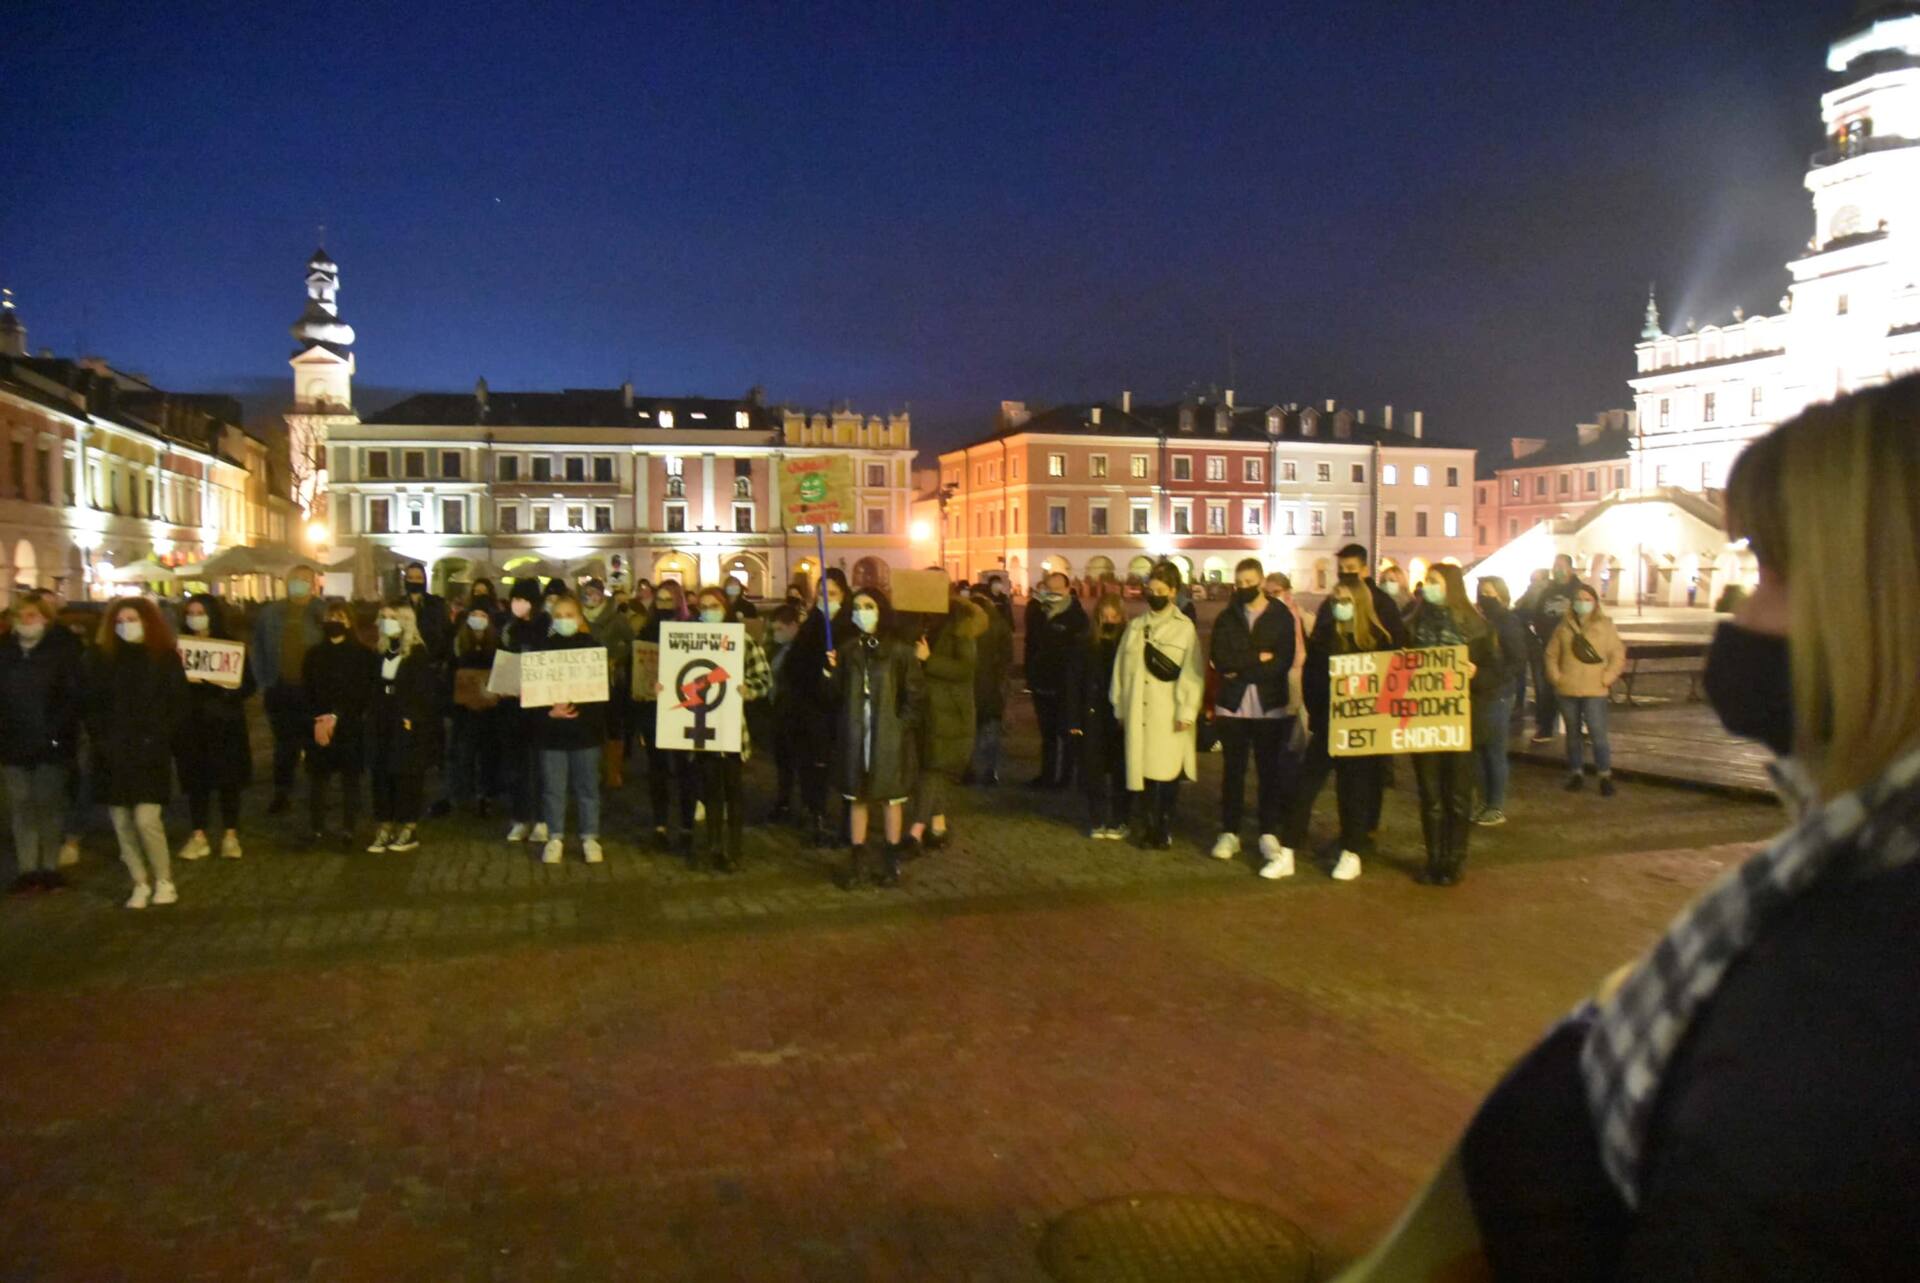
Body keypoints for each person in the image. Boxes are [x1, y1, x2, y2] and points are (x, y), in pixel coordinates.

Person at [1421, 377, 1920, 1281]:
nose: (1742, 615)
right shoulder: (1857, 871)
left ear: (1884, 604)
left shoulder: (1858, 1003)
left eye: (1768, 565)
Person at [1282, 575, 1394, 881]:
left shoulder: (1378, 639)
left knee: (1353, 792)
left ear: (1358, 603)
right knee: (1305, 786)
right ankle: (1288, 849)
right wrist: (1318, 714)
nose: (1339, 606)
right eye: (1335, 601)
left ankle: (1352, 852)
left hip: (1360, 730)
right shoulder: (1325, 637)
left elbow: (1388, 683)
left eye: (1344, 601)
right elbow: (1312, 679)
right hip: (1328, 724)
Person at [83, 598, 188, 908]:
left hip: (149, 750)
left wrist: (161, 735)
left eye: (132, 619)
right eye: (120, 620)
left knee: (146, 819)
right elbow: (91, 705)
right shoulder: (100, 659)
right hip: (113, 753)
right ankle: (139, 881)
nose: (125, 625)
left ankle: (164, 878)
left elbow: (178, 702)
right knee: (122, 821)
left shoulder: (163, 658)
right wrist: (101, 738)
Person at [1408, 563, 1503, 886]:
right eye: (1427, 582)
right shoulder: (1413, 625)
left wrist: (1476, 674)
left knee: (1458, 796)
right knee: (1431, 794)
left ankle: (1455, 859)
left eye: (1435, 581)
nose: (1428, 586)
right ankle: (1434, 859)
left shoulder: (1477, 629)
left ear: (1451, 586)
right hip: (1424, 721)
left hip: (1462, 722)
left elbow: (1498, 674)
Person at [829, 588, 925, 889]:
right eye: (857, 607)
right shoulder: (847, 650)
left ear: (880, 609)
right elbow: (834, 696)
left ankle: (890, 860)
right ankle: (858, 860)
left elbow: (915, 694)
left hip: (887, 734)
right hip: (856, 733)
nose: (862, 611)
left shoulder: (899, 650)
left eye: (868, 606)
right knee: (857, 796)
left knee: (889, 798)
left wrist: (899, 725)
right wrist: (829, 672)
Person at [1207, 557, 1300, 866]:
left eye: (1250, 582)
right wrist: (1256, 659)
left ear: (1261, 582)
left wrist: (1243, 667)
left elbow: (1282, 661)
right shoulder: (1227, 617)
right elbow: (1221, 659)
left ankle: (1267, 832)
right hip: (1232, 705)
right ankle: (1230, 831)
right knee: (1233, 771)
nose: (1244, 587)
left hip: (1268, 705)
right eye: (1240, 583)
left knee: (1268, 771)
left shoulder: (1281, 616)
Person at [1112, 562, 1204, 850]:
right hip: (1138, 711)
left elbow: (1192, 673)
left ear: (1173, 592)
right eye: (1150, 590)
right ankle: (1150, 824)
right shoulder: (1136, 627)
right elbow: (1120, 670)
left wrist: (1187, 713)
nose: (1154, 595)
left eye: (1161, 591)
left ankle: (1162, 827)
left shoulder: (1184, 629)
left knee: (1166, 773)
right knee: (1145, 773)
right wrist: (1119, 706)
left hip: (1168, 711)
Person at [679, 586, 771, 871]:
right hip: (701, 729)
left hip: (732, 729)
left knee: (734, 792)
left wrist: (749, 690)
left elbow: (764, 678)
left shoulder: (741, 640)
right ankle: (714, 846)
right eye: (703, 606)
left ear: (725, 609)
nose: (709, 611)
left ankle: (734, 849)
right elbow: (676, 676)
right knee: (710, 792)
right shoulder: (688, 641)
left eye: (714, 606)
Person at [1, 594, 84, 893]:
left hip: (52, 743)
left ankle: (48, 867)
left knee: (48, 806)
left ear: (45, 619)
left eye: (32, 616)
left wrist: (55, 732)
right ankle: (27, 869)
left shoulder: (60, 653)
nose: (25, 622)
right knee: (21, 807)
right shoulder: (5, 653)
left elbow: (71, 698)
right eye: (20, 616)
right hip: (13, 744)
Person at [173, 594, 255, 862]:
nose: (195, 617)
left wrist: (229, 692)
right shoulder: (179, 649)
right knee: (197, 782)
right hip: (192, 725)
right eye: (191, 612)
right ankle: (199, 835)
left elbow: (249, 684)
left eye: (200, 612)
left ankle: (230, 835)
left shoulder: (230, 645)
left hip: (225, 724)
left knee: (228, 781)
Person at [908, 590, 986, 854]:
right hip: (932, 709)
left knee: (933, 771)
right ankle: (938, 826)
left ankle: (915, 832)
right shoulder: (932, 626)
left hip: (950, 714)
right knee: (933, 771)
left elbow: (965, 669)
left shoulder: (960, 630)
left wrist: (929, 659)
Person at [535, 594, 609, 865]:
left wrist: (582, 711)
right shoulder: (542, 649)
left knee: (587, 787)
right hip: (552, 732)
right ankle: (555, 836)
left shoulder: (592, 648)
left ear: (580, 618)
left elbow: (601, 694)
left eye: (570, 615)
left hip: (585, 731)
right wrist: (549, 711)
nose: (564, 620)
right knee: (554, 788)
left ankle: (590, 836)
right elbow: (533, 695)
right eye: (559, 615)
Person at [250, 564, 326, 814]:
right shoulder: (270, 613)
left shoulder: (322, 612)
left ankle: (318, 795)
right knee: (284, 746)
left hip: (312, 691)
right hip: (280, 688)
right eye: (295, 579)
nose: (299, 584)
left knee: (316, 744)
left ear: (313, 584)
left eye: (305, 580)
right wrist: (264, 682)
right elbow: (257, 649)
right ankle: (282, 792)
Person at [364, 602, 437, 853]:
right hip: (381, 721)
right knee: (382, 773)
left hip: (406, 723)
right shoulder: (380, 652)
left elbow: (424, 692)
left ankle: (408, 825)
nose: (386, 622)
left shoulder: (417, 654)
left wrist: (411, 717)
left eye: (392, 617)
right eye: (383, 617)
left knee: (406, 774)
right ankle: (384, 824)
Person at [788, 569, 851, 848]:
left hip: (845, 709)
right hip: (814, 710)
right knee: (815, 766)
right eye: (822, 593)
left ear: (844, 595)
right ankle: (817, 814)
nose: (827, 599)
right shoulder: (811, 625)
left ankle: (850, 822)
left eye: (833, 594)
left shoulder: (851, 625)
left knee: (848, 767)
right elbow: (794, 667)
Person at [634, 579, 699, 851]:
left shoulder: (692, 628)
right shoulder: (647, 629)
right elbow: (638, 672)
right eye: (659, 600)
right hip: (654, 711)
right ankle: (660, 825)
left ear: (679, 601)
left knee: (686, 771)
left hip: (686, 710)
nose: (663, 605)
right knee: (657, 771)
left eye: (668, 600)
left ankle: (686, 826)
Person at [302, 600, 373, 845]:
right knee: (318, 781)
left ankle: (348, 827)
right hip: (318, 724)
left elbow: (363, 693)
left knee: (350, 780)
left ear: (349, 621)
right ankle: (316, 827)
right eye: (331, 617)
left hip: (349, 726)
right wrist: (317, 720)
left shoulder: (363, 655)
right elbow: (307, 691)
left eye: (340, 617)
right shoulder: (314, 654)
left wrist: (337, 716)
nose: (335, 622)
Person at [1546, 583, 1627, 797]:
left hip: (1595, 688)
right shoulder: (1563, 626)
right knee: (1572, 735)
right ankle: (1576, 773)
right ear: (1573, 603)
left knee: (1598, 734)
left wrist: (1607, 677)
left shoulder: (1605, 625)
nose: (1582, 603)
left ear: (1595, 602)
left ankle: (1604, 775)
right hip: (1568, 688)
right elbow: (1551, 655)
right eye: (1579, 599)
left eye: (1587, 599)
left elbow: (1617, 654)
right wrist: (1556, 677)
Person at [1472, 576, 1532, 825]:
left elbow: (1516, 661)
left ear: (1502, 594)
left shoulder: (1508, 621)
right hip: (1477, 692)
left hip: (1497, 694)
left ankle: (1495, 805)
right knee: (1477, 752)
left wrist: (1491, 679)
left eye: (1490, 593)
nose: (1485, 597)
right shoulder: (1477, 619)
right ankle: (1483, 801)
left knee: (1494, 751)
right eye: (1482, 592)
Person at [1069, 592, 1131, 839]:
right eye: (1104, 616)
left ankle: (1119, 819)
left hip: (1119, 715)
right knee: (1094, 770)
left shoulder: (1128, 644)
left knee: (1121, 770)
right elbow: (1073, 684)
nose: (1109, 620)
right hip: (1093, 714)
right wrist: (1073, 721)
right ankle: (1097, 818)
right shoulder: (1084, 643)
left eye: (1114, 616)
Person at [1024, 570, 1088, 788]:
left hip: (1065, 684)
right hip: (1042, 682)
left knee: (1067, 733)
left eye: (1057, 590)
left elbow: (1080, 654)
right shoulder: (1038, 612)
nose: (1052, 594)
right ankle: (1047, 774)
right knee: (1047, 734)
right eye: (1049, 589)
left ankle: (1065, 778)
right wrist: (1030, 675)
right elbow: (1030, 645)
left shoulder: (1076, 617)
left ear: (1068, 590)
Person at [498, 577, 550, 843]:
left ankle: (542, 819)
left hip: (541, 706)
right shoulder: (509, 629)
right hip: (514, 706)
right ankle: (520, 818)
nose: (517, 604)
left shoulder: (546, 628)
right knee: (516, 767)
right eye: (514, 599)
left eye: (522, 599)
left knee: (542, 766)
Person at [448, 600, 503, 815]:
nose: (478, 619)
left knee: (488, 754)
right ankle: (466, 793)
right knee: (465, 753)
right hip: (465, 710)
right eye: (474, 614)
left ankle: (486, 794)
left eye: (482, 615)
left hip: (490, 710)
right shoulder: (459, 643)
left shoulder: (496, 643)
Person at [1523, 554, 1584, 743]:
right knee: (1545, 689)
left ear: (1571, 569)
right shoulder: (1546, 590)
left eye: (1561, 566)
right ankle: (1546, 727)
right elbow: (1534, 612)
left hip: (1571, 648)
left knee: (1574, 688)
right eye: (1555, 566)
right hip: (1547, 645)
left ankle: (1579, 727)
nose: (1557, 569)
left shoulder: (1579, 590)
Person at [580, 576, 633, 789]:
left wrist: (617, 656)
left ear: (602, 595)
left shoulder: (616, 618)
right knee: (590, 723)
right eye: (586, 593)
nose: (590, 597)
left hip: (612, 678)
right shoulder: (578, 617)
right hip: (585, 678)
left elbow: (631, 643)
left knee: (613, 724)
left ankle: (613, 771)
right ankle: (591, 769)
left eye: (594, 593)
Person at [1317, 544, 1411, 648]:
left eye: (1350, 568)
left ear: (1364, 571)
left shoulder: (1382, 603)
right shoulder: (1330, 601)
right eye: (1340, 568)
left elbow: (1397, 639)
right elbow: (1318, 639)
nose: (1344, 573)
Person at [967, 587, 1013, 786]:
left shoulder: (965, 623)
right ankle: (990, 771)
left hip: (970, 685)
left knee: (971, 733)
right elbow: (1007, 658)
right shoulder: (999, 624)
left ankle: (969, 770)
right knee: (990, 734)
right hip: (992, 686)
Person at [763, 604, 804, 821]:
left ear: (793, 627)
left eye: (779, 629)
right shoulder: (776, 648)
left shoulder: (800, 651)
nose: (775, 634)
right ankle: (784, 801)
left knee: (794, 764)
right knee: (783, 764)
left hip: (794, 715)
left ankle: (795, 805)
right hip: (779, 712)